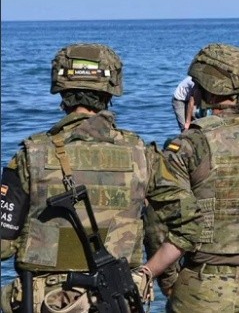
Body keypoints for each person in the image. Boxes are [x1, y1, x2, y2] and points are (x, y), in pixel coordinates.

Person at [0, 43, 158, 312]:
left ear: (61, 88)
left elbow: (3, 242)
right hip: (119, 299)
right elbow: (178, 229)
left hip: (49, 302)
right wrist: (145, 274)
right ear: (112, 89)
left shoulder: (31, 154)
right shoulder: (144, 154)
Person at [141, 43, 239, 312]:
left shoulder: (190, 144)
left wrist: (167, 280)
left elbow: (159, 222)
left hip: (204, 284)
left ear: (205, 88)